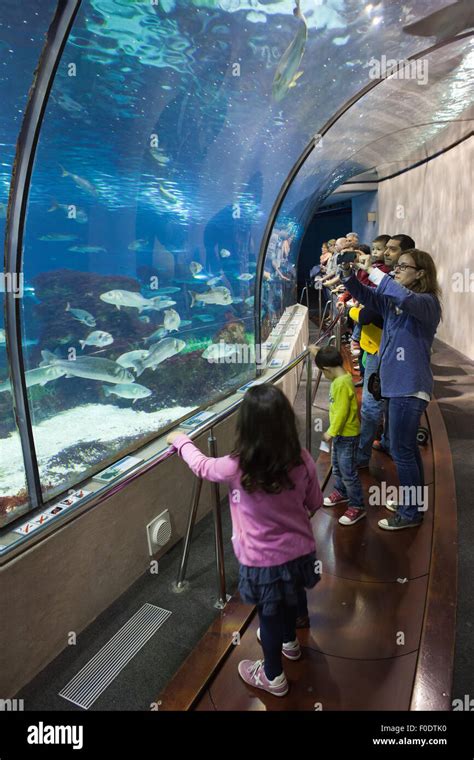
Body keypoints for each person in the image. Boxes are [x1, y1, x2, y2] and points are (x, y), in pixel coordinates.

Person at [167, 384, 323, 697]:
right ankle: (290, 643)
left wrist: (180, 440)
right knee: (290, 598)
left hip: (262, 562)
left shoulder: (237, 465)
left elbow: (202, 466)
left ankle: (273, 676)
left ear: (246, 426)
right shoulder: (302, 458)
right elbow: (316, 502)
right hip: (300, 553)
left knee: (269, 610)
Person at [340, 249, 442, 530]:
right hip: (397, 386)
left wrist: (373, 269)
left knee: (402, 451)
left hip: (409, 388)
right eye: (394, 267)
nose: (396, 271)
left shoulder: (427, 302)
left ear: (421, 273)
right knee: (405, 449)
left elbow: (403, 296)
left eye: (402, 267)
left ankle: (410, 514)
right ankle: (415, 503)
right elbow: (369, 297)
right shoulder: (396, 303)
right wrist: (348, 275)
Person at [313, 346, 366, 526]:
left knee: (348, 471)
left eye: (323, 372)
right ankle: (341, 491)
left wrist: (331, 432)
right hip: (341, 435)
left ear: (326, 369)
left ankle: (358, 505)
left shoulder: (341, 384)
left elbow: (342, 412)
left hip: (347, 436)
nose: (324, 376)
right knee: (337, 466)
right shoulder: (341, 379)